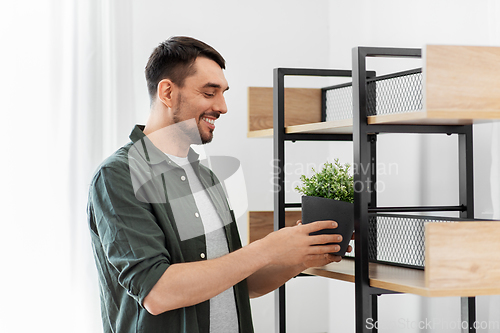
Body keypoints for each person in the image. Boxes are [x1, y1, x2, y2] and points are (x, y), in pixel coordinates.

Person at [87, 36, 346, 333]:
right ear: (168, 92)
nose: (222, 107)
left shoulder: (205, 177)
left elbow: (236, 281)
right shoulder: (118, 176)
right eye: (210, 93)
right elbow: (157, 293)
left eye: (223, 93)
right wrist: (266, 248)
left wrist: (300, 256)